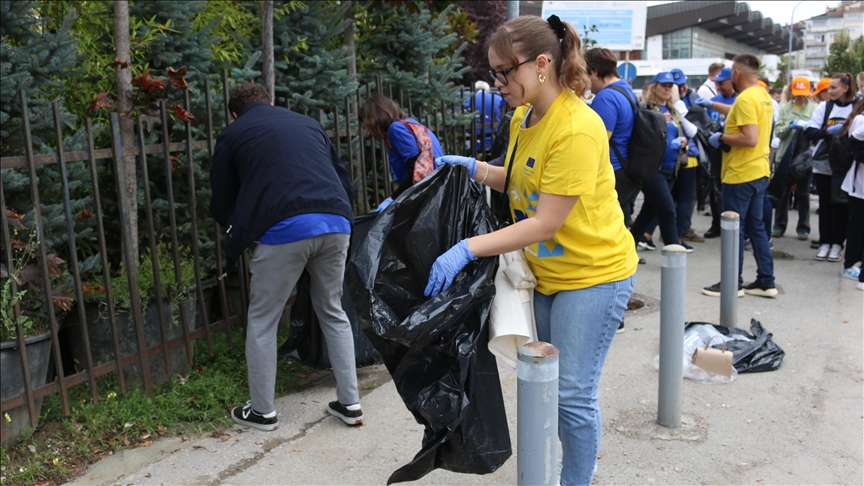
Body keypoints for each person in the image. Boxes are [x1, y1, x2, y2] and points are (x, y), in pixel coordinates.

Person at [429, 15, 637, 485]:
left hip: (594, 276)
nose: (497, 82)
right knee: (543, 383)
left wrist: (467, 248)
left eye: (505, 72)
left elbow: (545, 222)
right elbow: (521, 178)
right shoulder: (526, 116)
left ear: (542, 64)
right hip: (547, 276)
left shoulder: (578, 127)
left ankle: (575, 480)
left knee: (572, 394)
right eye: (495, 71)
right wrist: (478, 170)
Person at [210, 83, 362, 430]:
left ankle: (262, 411)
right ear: (271, 101)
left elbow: (222, 197)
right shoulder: (308, 123)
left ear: (234, 112)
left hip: (283, 228)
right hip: (336, 221)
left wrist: (239, 230)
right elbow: (342, 177)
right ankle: (350, 402)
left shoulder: (234, 133)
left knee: (263, 319)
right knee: (332, 309)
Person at [701, 54, 777, 298]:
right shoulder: (762, 96)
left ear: (736, 74)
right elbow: (740, 113)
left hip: (740, 173)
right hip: (759, 171)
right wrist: (710, 104)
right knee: (757, 228)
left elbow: (749, 138)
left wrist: (721, 138)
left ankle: (733, 282)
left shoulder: (745, 99)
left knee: (734, 229)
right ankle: (766, 281)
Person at [630, 73, 697, 253]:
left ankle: (627, 248)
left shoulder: (673, 110)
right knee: (668, 211)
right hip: (652, 169)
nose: (667, 89)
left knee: (648, 212)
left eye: (670, 86)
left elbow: (678, 133)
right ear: (655, 87)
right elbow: (641, 139)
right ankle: (674, 253)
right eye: (663, 86)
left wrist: (682, 141)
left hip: (670, 168)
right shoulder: (645, 109)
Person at [804, 73, 856, 262]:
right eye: (829, 88)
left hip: (845, 164)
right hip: (824, 163)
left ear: (846, 88)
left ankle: (837, 244)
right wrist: (827, 132)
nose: (830, 91)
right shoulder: (824, 107)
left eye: (834, 87)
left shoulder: (856, 107)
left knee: (841, 205)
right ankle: (825, 242)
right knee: (825, 205)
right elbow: (810, 132)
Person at [585, 47, 640, 215]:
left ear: (594, 72)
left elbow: (598, 142)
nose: (586, 82)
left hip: (613, 170)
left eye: (586, 74)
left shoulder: (606, 97)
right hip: (627, 167)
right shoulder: (625, 88)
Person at [359, 94, 444, 200]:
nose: (368, 128)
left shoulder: (395, 129)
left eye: (368, 123)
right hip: (437, 187)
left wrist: (394, 198)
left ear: (376, 117)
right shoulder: (412, 124)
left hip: (425, 194)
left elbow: (415, 166)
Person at [695, 67, 738, 239]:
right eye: (717, 83)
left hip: (734, 153)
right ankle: (716, 224)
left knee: (731, 190)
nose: (718, 86)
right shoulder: (714, 100)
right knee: (714, 187)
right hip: (716, 151)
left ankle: (733, 224)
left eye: (721, 83)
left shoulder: (739, 100)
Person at [772, 77, 817, 240]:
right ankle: (779, 225)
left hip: (805, 157)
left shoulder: (815, 108)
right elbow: (778, 131)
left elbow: (817, 130)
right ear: (792, 92)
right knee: (782, 192)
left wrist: (807, 127)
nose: (800, 97)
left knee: (803, 193)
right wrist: (790, 126)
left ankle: (803, 228)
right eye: (797, 94)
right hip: (785, 156)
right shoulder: (785, 109)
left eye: (803, 94)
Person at [840, 97, 864, 289]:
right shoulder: (860, 120)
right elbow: (854, 145)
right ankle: (850, 264)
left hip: (859, 185)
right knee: (856, 226)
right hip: (859, 186)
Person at [464, 80, 507, 154]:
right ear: (488, 90)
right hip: (495, 140)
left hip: (475, 141)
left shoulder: (467, 101)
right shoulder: (498, 99)